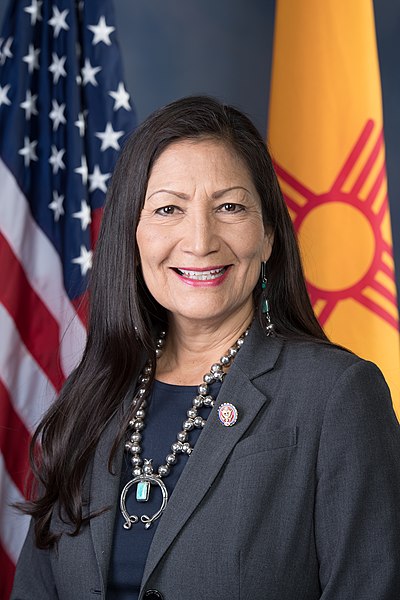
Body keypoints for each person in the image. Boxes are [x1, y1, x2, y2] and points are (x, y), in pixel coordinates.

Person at [11, 96, 400, 600]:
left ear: (268, 238)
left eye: (230, 207)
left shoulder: (337, 396)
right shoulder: (90, 398)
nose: (199, 240)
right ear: (134, 236)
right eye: (169, 208)